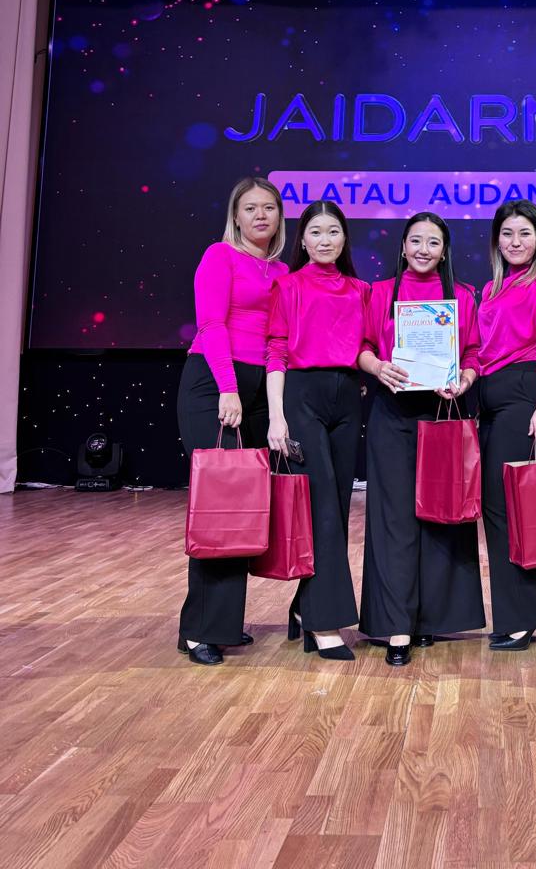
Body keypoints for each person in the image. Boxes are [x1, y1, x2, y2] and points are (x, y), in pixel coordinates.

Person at [358, 213, 485, 665]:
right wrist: (378, 367)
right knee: (394, 521)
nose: (424, 250)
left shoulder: (463, 296)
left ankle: (430, 619)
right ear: (403, 246)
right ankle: (397, 627)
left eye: (433, 242)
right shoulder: (378, 293)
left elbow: (474, 353)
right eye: (416, 241)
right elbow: (363, 346)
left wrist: (464, 380)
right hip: (392, 414)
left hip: (443, 412)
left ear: (444, 250)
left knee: (440, 516)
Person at [176, 177, 287, 665]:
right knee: (219, 504)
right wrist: (227, 387)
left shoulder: (281, 270)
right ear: (236, 217)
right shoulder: (219, 256)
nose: (261, 215)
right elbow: (211, 323)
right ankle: (200, 630)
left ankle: (221, 622)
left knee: (244, 505)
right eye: (250, 208)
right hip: (215, 382)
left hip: (259, 387)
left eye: (269, 207)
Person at [265, 201, 368, 660]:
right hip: (301, 398)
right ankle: (324, 624)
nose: (325, 240)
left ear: (344, 238)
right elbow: (276, 351)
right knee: (321, 507)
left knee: (338, 508)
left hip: (348, 399)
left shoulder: (361, 290)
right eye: (316, 232)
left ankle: (304, 606)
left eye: (333, 232)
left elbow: (368, 346)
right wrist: (277, 416)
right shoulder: (287, 286)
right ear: (302, 240)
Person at [477, 201, 536, 651]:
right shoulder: (490, 289)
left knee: (513, 508)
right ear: (497, 240)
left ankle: (521, 619)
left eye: (524, 234)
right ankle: (521, 614)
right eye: (507, 233)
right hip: (489, 398)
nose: (515, 242)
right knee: (496, 509)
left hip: (524, 395)